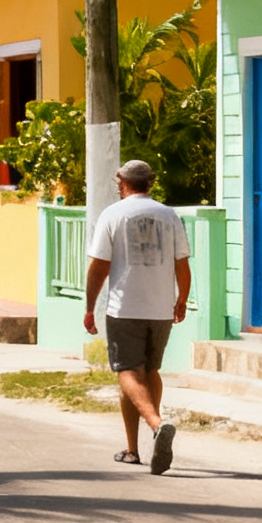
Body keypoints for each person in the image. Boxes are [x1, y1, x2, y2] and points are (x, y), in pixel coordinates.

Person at [83, 158, 192, 475]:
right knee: (150, 371)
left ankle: (157, 425)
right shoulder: (169, 215)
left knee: (127, 372)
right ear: (150, 184)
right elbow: (182, 264)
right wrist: (182, 298)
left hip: (124, 307)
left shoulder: (113, 214)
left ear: (122, 183)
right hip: (160, 309)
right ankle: (133, 448)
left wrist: (90, 306)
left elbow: (99, 266)